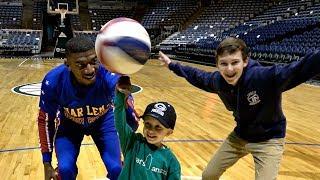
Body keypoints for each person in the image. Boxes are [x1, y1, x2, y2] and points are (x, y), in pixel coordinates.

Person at [158, 37, 320, 180]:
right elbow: (196, 75)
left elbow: (300, 68)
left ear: (245, 61)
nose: (229, 69)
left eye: (235, 62)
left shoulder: (262, 77)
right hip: (240, 136)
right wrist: (172, 65)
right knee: (208, 175)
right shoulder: (217, 81)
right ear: (217, 64)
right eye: (224, 64)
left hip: (269, 140)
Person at [37, 37, 122, 180]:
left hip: (103, 123)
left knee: (117, 169)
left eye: (93, 61)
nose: (89, 69)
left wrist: (127, 100)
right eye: (81, 65)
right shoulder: (53, 81)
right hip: (70, 126)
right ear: (67, 64)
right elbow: (45, 121)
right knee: (65, 170)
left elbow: (127, 113)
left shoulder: (109, 76)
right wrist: (46, 162)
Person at [114, 76, 181, 179]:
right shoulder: (132, 143)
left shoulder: (171, 162)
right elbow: (120, 122)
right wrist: (121, 95)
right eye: (148, 124)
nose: (151, 130)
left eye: (158, 127)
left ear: (169, 132)